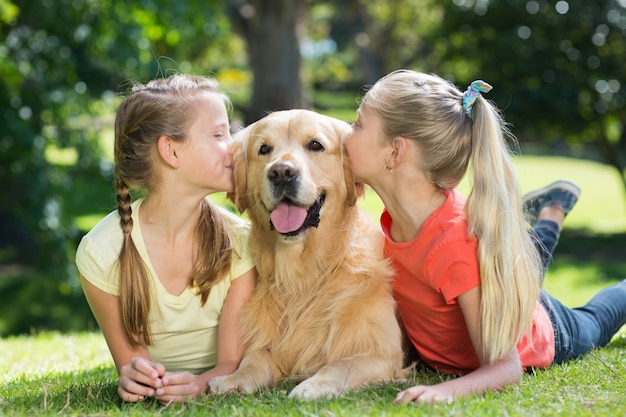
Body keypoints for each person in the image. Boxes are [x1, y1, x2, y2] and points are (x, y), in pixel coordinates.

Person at [344, 69, 626, 403]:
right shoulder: (398, 219)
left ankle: (553, 211)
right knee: (516, 260)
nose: (345, 133)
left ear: (394, 152)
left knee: (596, 320)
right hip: (491, 287)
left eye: (358, 124)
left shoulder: (451, 246)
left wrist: (442, 392)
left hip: (548, 331)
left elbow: (506, 367)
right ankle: (552, 209)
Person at [75, 74, 257, 404]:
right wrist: (135, 376)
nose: (234, 145)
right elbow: (133, 362)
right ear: (170, 150)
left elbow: (231, 364)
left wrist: (199, 385)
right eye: (219, 133)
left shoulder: (242, 242)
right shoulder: (101, 252)